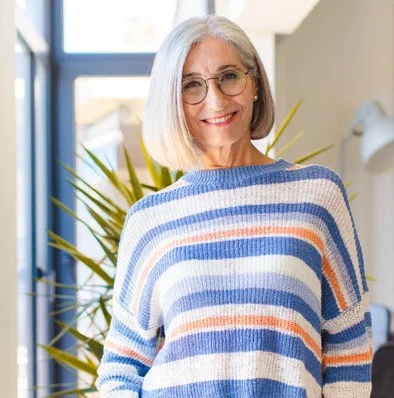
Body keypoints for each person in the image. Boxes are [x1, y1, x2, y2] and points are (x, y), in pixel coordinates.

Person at [95, 14, 373, 398]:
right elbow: (121, 366)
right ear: (173, 102)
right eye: (192, 85)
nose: (216, 99)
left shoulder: (316, 196)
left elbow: (349, 342)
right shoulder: (150, 219)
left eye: (229, 76)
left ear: (255, 83)